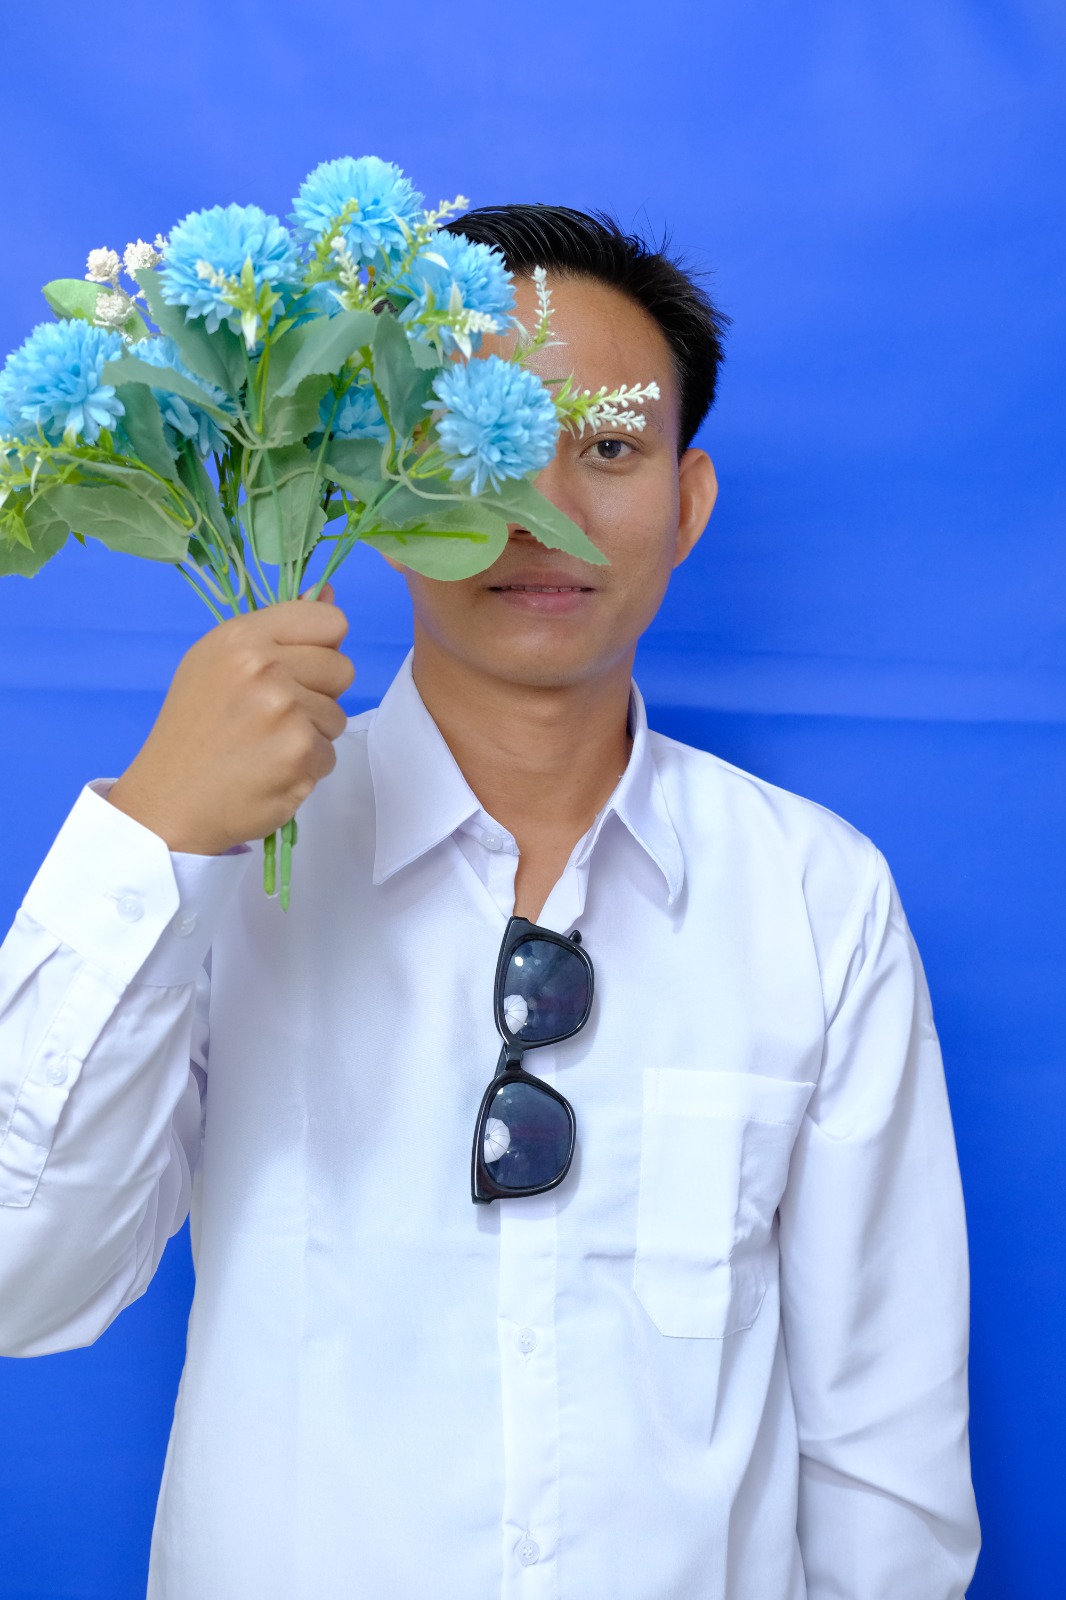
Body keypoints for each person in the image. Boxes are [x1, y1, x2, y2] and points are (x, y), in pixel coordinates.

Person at [0, 205, 980, 1599]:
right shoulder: (216, 864)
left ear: (687, 502)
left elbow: (884, 1448)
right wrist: (153, 836)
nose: (543, 508)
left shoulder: (814, 895)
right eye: (482, 437)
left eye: (610, 449)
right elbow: (21, 1284)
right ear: (366, 477)